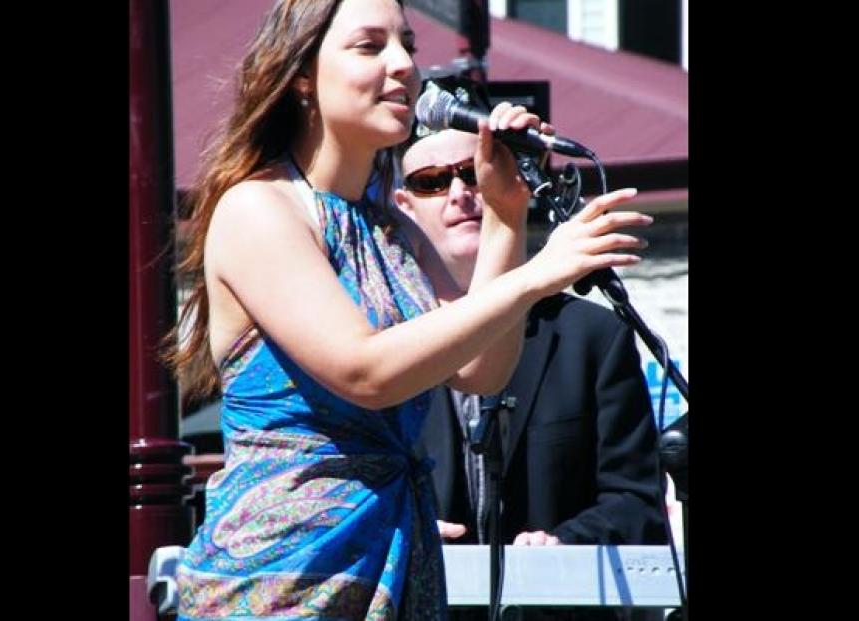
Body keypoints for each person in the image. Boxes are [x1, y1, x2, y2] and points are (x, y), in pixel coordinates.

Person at [164, 1, 652, 618]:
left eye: (408, 45)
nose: (404, 66)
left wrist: (505, 218)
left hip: (394, 561)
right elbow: (365, 372)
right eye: (370, 47)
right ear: (302, 76)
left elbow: (483, 372)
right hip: (281, 576)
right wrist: (536, 277)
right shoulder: (260, 210)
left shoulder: (390, 229)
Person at [395, 80, 667, 620]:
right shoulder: (381, 334)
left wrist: (564, 543)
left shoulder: (590, 335)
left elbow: (638, 507)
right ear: (403, 205)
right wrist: (408, 524)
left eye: (473, 172)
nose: (458, 193)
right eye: (431, 182)